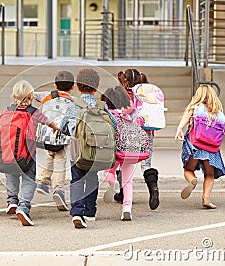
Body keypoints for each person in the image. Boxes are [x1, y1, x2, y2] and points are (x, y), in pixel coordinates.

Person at [60, 68, 118, 228]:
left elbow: (63, 126)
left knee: (77, 180)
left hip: (78, 151)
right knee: (92, 179)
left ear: (78, 86)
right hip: (96, 151)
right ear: (96, 86)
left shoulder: (73, 105)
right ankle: (90, 212)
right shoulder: (102, 106)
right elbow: (115, 126)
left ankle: (77, 212)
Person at [1, 80, 59, 226]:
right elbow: (48, 122)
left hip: (9, 154)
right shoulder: (34, 112)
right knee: (29, 179)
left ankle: (12, 201)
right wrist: (56, 128)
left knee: (11, 175)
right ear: (31, 96)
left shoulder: (7, 110)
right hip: (27, 155)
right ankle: (24, 206)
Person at [106, 69, 160, 211]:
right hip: (146, 133)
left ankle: (123, 192)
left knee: (122, 161)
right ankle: (153, 189)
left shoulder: (121, 95)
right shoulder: (147, 95)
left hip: (126, 133)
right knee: (146, 165)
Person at [175, 84, 225, 209]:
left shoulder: (195, 108)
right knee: (209, 174)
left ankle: (192, 180)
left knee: (189, 170)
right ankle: (206, 199)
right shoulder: (219, 113)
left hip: (195, 145)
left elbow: (185, 118)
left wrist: (179, 129)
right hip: (211, 148)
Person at [34, 71, 75, 211]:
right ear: (73, 87)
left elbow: (30, 93)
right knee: (60, 160)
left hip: (46, 134)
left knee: (51, 154)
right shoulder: (72, 101)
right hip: (61, 135)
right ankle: (58, 190)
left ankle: (43, 181)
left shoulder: (46, 95)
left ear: (55, 85)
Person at [101, 86, 138, 221]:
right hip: (129, 149)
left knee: (108, 172)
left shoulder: (107, 114)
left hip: (112, 149)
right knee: (128, 181)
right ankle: (127, 208)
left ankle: (113, 183)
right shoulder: (128, 115)